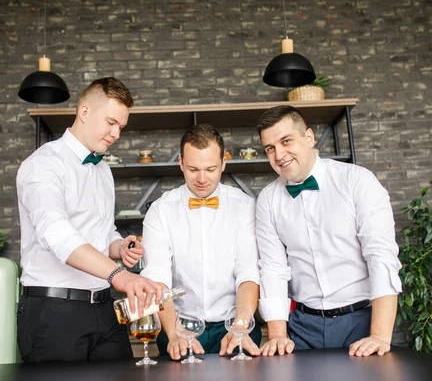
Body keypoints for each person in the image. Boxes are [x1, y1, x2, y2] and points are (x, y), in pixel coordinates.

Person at [16, 77, 162, 363]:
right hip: (54, 311)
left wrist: (120, 247)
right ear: (84, 112)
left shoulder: (103, 170)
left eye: (120, 127)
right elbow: (55, 232)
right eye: (110, 122)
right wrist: (119, 274)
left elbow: (103, 232)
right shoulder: (43, 164)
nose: (116, 133)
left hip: (103, 309)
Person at [255, 105, 402, 358]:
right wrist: (278, 334)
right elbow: (273, 269)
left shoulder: (357, 180)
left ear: (309, 137)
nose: (279, 155)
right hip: (302, 325)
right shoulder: (268, 199)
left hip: (362, 321)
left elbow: (381, 256)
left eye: (286, 141)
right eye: (270, 148)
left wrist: (379, 334)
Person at [140, 124, 262, 360]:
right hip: (178, 325)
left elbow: (248, 273)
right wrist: (174, 331)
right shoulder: (161, 210)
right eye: (194, 169)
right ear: (181, 163)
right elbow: (157, 278)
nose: (202, 179)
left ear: (224, 164)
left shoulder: (245, 207)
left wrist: (240, 325)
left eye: (211, 169)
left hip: (233, 325)